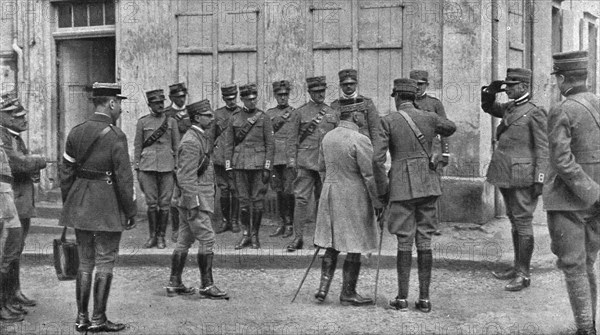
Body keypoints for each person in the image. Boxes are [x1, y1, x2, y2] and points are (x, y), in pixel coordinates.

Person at [60, 83, 137, 332]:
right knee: (105, 259)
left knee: (85, 261)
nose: (121, 110)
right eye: (120, 104)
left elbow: (65, 173)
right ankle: (98, 319)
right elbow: (124, 180)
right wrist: (131, 210)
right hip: (106, 205)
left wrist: (71, 203)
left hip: (79, 203)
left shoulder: (76, 132)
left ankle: (81, 318)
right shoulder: (116, 136)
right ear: (111, 103)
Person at [375, 78, 456, 313]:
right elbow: (450, 127)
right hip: (428, 184)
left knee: (404, 239)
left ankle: (402, 298)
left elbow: (377, 159)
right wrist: (437, 151)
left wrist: (382, 191)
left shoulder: (387, 121)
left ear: (398, 97)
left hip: (401, 186)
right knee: (425, 239)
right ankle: (425, 299)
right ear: (413, 97)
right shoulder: (430, 117)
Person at [544, 50, 600, 335]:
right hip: (598, 201)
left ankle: (585, 329)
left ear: (563, 79)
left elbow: (562, 160)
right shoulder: (598, 103)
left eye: (557, 79)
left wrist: (590, 192)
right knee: (587, 262)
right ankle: (587, 326)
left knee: (574, 265)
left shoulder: (562, 109)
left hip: (570, 201)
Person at [481, 68, 548, 291]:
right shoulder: (511, 107)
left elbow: (543, 148)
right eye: (506, 85)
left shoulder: (535, 112)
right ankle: (517, 267)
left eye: (511, 85)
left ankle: (523, 274)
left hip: (523, 176)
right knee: (514, 220)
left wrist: (540, 179)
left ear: (523, 87)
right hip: (505, 173)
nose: (507, 89)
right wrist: (490, 91)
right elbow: (489, 107)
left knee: (522, 222)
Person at [313, 99, 384, 306]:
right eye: (362, 114)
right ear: (355, 115)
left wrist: (330, 184)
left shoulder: (327, 137)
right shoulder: (359, 139)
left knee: (332, 241)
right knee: (354, 243)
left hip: (329, 192)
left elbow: (321, 168)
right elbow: (369, 176)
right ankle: (348, 292)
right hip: (353, 196)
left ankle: (322, 289)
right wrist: (377, 201)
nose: (363, 118)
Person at [166, 99, 228, 300]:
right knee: (208, 239)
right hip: (195, 200)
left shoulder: (197, 136)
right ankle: (207, 285)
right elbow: (186, 177)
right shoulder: (192, 141)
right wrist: (192, 203)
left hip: (193, 199)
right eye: (207, 115)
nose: (211, 117)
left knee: (184, 240)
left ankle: (175, 283)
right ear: (197, 118)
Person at [0, 93, 46, 315]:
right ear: (5, 117)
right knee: (8, 251)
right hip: (9, 202)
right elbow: (15, 163)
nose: (23, 119)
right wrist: (38, 161)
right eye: (18, 116)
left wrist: (33, 169)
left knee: (17, 249)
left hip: (21, 200)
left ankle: (14, 293)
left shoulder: (14, 135)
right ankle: (6, 298)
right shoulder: (3, 137)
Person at [285, 76, 339, 252]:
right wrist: (292, 161)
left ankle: (321, 238)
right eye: (316, 92)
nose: (320, 95)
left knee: (323, 201)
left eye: (322, 91)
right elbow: (292, 139)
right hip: (305, 163)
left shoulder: (332, 113)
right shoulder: (300, 113)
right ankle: (298, 237)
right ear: (309, 93)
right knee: (301, 200)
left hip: (326, 164)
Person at [223, 83, 274, 249]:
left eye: (254, 99)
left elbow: (270, 145)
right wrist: (229, 167)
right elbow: (228, 145)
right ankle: (245, 234)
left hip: (259, 166)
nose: (251, 102)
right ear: (242, 99)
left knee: (258, 201)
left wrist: (267, 167)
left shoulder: (264, 117)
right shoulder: (235, 118)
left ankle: (255, 235)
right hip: (240, 165)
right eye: (248, 99)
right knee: (243, 201)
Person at [134, 89, 180, 249]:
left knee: (165, 204)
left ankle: (161, 237)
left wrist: (177, 166)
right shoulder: (142, 122)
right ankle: (152, 236)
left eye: (162, 102)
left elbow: (177, 146)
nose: (160, 105)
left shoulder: (171, 122)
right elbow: (138, 146)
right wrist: (137, 167)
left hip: (167, 167)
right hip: (147, 167)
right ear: (149, 105)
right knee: (152, 204)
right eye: (156, 103)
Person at [410, 70, 450, 236]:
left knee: (433, 188)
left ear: (427, 85)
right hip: (413, 150)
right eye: (415, 84)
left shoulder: (435, 104)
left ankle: (433, 224)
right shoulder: (406, 102)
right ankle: (413, 222)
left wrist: (445, 153)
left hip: (432, 151)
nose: (418, 87)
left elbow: (445, 128)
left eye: (421, 84)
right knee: (412, 185)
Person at [0, 97, 25, 323]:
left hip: (5, 191)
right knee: (4, 251)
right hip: (1, 194)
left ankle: (6, 301)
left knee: (11, 247)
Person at [266, 80, 296, 238]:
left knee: (289, 191)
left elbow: (298, 136)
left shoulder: (295, 113)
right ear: (275, 95)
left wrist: (294, 158)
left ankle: (290, 224)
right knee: (278, 191)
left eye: (285, 95)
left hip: (289, 158)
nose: (283, 98)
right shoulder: (269, 114)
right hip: (274, 158)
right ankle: (281, 223)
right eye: (280, 95)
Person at [213, 84, 243, 234]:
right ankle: (225, 221)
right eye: (228, 99)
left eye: (233, 98)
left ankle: (234, 221)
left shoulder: (242, 113)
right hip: (220, 158)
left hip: (236, 158)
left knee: (235, 189)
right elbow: (211, 135)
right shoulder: (217, 114)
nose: (231, 101)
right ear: (223, 98)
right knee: (223, 190)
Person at [164, 82, 192, 243]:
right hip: (174, 159)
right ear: (171, 98)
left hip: (190, 158)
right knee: (174, 198)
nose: (181, 100)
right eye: (177, 97)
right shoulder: (167, 114)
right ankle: (175, 229)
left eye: (183, 96)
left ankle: (189, 228)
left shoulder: (192, 112)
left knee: (190, 193)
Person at [330, 69, 381, 142]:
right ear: (340, 85)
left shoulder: (367, 103)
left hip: (363, 142)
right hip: (343, 142)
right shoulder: (335, 105)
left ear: (356, 84)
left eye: (351, 83)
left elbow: (375, 128)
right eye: (345, 84)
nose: (348, 86)